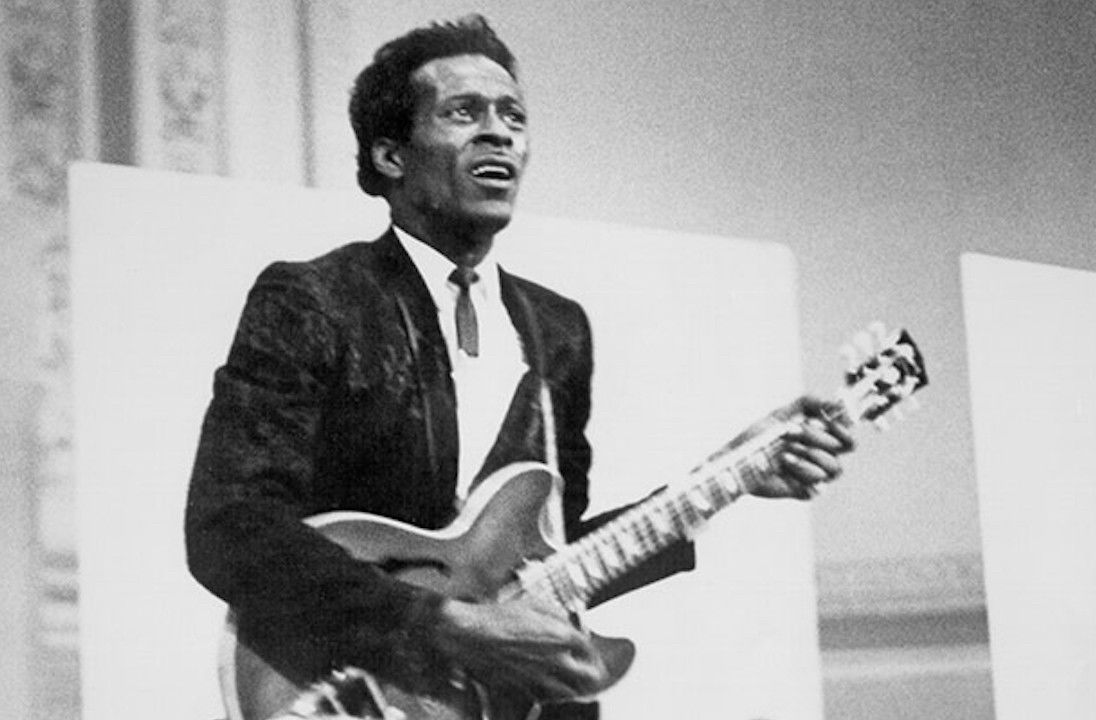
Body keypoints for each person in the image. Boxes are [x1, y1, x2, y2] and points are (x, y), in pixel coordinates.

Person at [185, 15, 854, 720]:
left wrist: (727, 475)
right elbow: (228, 526)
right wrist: (442, 625)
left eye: (513, 116)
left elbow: (547, 564)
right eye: (463, 113)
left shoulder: (556, 328)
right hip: (347, 691)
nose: (499, 133)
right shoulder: (315, 299)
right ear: (390, 156)